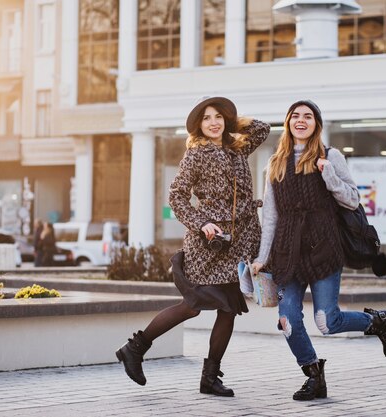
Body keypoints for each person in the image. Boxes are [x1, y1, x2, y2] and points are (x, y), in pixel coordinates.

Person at [116, 96, 270, 396]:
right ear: (198, 126)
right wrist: (201, 223)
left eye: (217, 117)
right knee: (192, 307)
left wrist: (230, 118)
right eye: (206, 118)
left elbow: (262, 129)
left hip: (239, 243)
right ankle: (135, 348)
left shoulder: (237, 148)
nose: (213, 123)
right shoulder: (196, 154)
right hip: (210, 245)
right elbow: (176, 197)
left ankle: (210, 377)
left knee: (228, 311)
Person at [251, 100, 386, 402]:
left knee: (326, 321)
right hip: (287, 252)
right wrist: (262, 257)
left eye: (308, 117)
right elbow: (271, 216)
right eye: (296, 116)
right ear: (288, 122)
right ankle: (313, 375)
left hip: (324, 249)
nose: (301, 121)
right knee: (287, 319)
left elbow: (353, 200)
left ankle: (378, 321)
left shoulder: (331, 156)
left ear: (316, 124)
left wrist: (329, 175)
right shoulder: (275, 163)